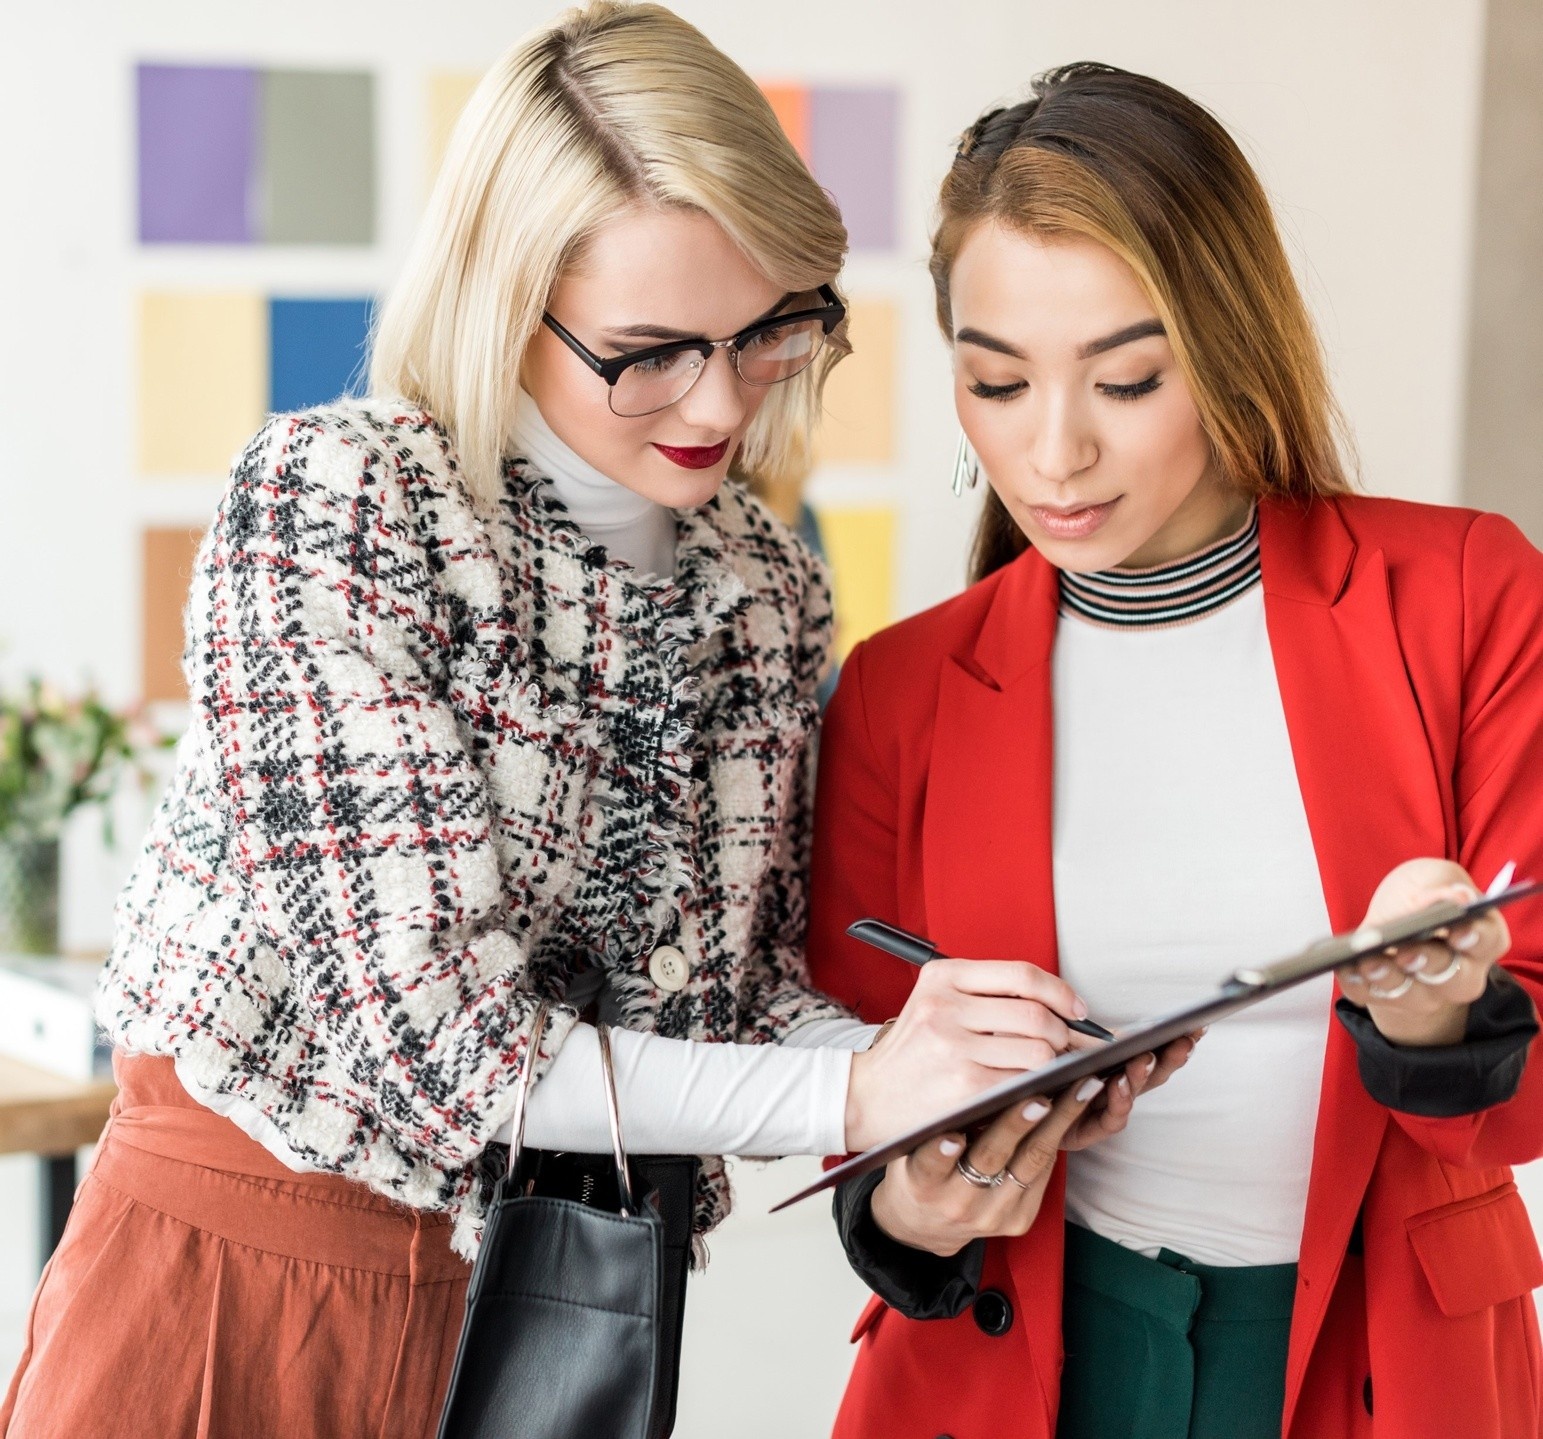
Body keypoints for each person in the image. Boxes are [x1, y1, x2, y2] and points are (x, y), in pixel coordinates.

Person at [1, 15, 1180, 1437]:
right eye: (649, 351)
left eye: (768, 328)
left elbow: (729, 999)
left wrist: (954, 1061)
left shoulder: (767, 583)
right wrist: (857, 1092)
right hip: (239, 1282)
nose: (720, 400)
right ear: (508, 302)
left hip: (552, 1313)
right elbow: (453, 1049)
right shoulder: (343, 504)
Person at [807, 63, 1543, 1439]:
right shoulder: (901, 693)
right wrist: (919, 1200)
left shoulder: (1463, 597)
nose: (1055, 453)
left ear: (1229, 346)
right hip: (1020, 1365)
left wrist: (1433, 1011)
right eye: (996, 382)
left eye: (1128, 380)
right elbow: (856, 1095)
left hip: (1379, 1372)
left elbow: (1526, 1091)